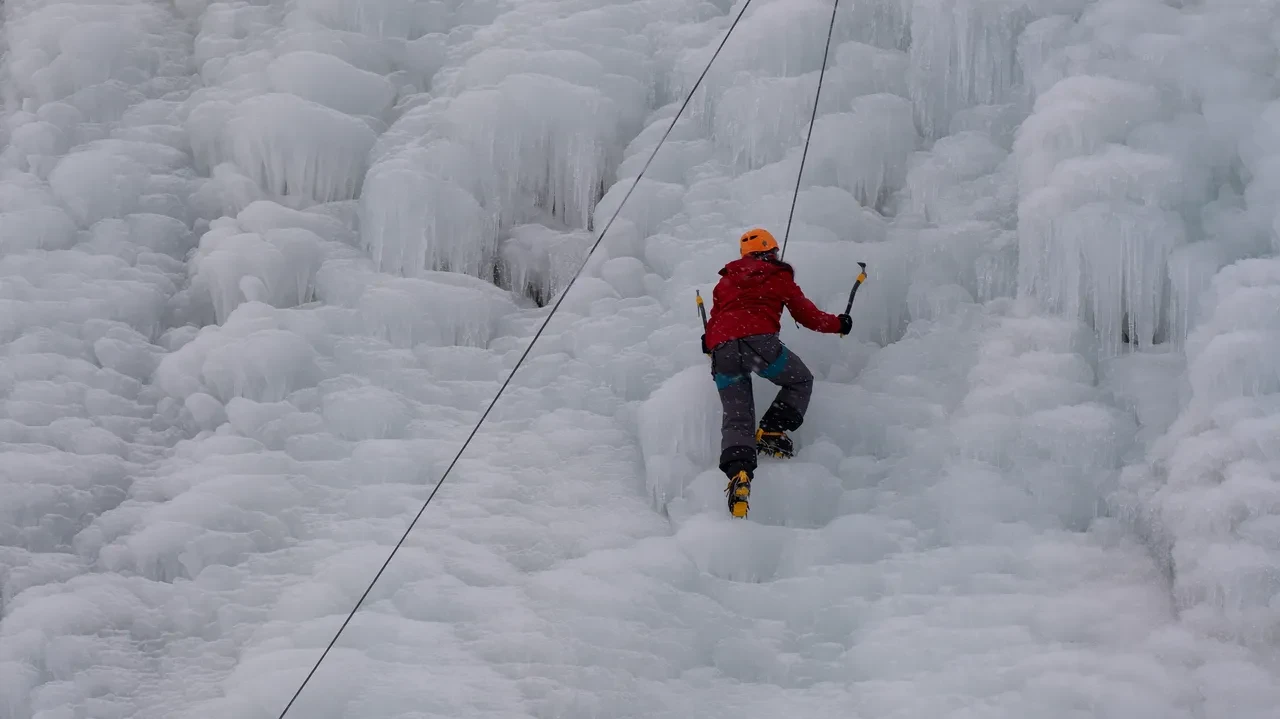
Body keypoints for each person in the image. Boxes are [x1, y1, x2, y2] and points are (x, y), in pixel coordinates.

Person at [700, 227, 852, 518]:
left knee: (738, 414)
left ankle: (739, 473)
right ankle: (771, 430)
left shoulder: (726, 282)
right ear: (771, 251)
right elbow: (807, 316)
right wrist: (839, 324)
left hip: (723, 351)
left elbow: (716, 319)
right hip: (759, 344)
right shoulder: (777, 276)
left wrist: (709, 342)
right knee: (799, 380)